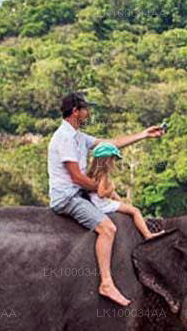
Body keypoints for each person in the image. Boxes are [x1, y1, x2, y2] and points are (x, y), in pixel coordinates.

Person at [47, 92, 163, 306]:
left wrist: (143, 135)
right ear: (75, 111)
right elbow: (76, 177)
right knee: (107, 229)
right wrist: (102, 190)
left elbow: (110, 144)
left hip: (79, 192)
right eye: (85, 109)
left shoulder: (78, 136)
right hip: (68, 197)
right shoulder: (64, 138)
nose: (88, 113)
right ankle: (106, 283)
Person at [85, 143, 162, 241]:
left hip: (94, 201)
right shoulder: (103, 173)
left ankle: (128, 209)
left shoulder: (91, 172)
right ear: (107, 159)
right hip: (101, 204)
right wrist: (111, 188)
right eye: (112, 159)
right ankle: (148, 235)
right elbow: (101, 194)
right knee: (135, 211)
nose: (113, 162)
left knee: (119, 200)